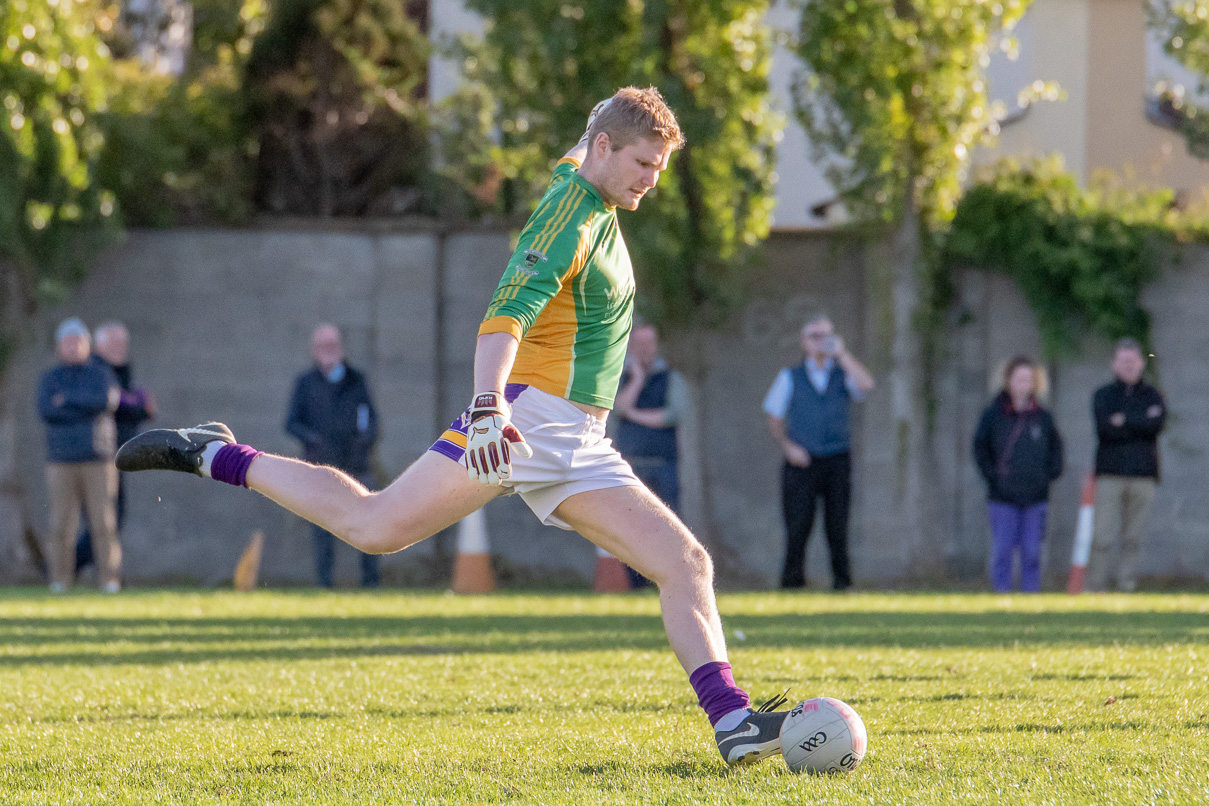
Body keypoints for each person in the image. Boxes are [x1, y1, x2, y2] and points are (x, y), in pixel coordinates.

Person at [118, 87, 797, 766]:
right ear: (604, 150)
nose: (653, 180)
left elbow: (589, 131)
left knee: (685, 564)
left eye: (659, 167)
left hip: (578, 439)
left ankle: (732, 721)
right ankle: (218, 456)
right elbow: (504, 317)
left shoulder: (583, 176)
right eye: (644, 164)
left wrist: (609, 110)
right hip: (526, 420)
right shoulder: (568, 218)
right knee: (375, 526)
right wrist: (487, 407)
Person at [763, 316, 875, 591]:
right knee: (798, 524)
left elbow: (866, 385)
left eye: (825, 335)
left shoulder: (842, 374)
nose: (820, 341)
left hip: (837, 458)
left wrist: (843, 355)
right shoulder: (790, 375)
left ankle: (842, 582)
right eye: (814, 336)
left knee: (838, 525)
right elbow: (774, 415)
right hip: (802, 460)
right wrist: (788, 447)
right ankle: (792, 583)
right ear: (803, 343)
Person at [286, 324, 380, 588]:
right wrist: (313, 440)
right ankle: (325, 584)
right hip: (322, 467)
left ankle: (371, 584)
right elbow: (291, 423)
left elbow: (372, 419)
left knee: (368, 522)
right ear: (314, 351)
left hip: (356, 465)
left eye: (333, 345)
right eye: (323, 347)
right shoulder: (304, 384)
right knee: (323, 528)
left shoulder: (357, 380)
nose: (329, 351)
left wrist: (364, 443)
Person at [36, 317, 121, 593]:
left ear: (87, 345)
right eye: (67, 342)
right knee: (61, 523)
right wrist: (81, 404)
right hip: (61, 461)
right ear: (59, 346)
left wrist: (68, 401)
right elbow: (47, 411)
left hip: (98, 459)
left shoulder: (101, 374)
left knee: (103, 523)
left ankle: (109, 579)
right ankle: (59, 580)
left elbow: (103, 402)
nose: (73, 347)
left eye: (78, 341)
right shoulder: (50, 378)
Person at [972, 356, 1063, 593]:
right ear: (1008, 381)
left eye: (1029, 379)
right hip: (1002, 496)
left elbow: (1056, 450)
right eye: (1019, 378)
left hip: (1036, 496)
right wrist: (993, 476)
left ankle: (1030, 594)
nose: (1024, 383)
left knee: (1032, 550)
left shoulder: (1044, 418)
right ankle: (1001, 592)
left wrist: (1048, 476)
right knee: (1002, 549)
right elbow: (980, 448)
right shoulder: (992, 415)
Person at [1086, 338, 1166, 592]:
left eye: (1133, 361)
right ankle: (1096, 586)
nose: (1129, 366)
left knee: (1133, 537)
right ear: (1114, 364)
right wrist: (1139, 422)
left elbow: (1156, 426)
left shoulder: (1153, 395)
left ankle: (1126, 584)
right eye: (1124, 361)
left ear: (1142, 363)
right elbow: (1106, 429)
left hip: (1143, 475)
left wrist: (1124, 421)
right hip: (1110, 474)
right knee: (1102, 536)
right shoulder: (1103, 395)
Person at [75, 321, 155, 574]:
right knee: (104, 521)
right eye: (114, 343)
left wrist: (136, 404)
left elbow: (139, 405)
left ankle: (104, 575)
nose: (120, 349)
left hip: (118, 454)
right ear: (98, 345)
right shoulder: (97, 370)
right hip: (97, 456)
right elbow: (118, 403)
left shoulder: (121, 371)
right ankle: (67, 568)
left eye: (123, 343)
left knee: (112, 519)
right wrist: (136, 404)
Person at [613, 324, 690, 587]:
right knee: (631, 528)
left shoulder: (672, 378)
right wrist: (636, 380)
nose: (645, 349)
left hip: (664, 463)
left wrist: (633, 415)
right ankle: (637, 585)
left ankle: (669, 580)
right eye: (639, 344)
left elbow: (671, 415)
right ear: (632, 347)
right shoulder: (621, 378)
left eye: (649, 344)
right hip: (631, 466)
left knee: (668, 524)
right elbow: (617, 407)